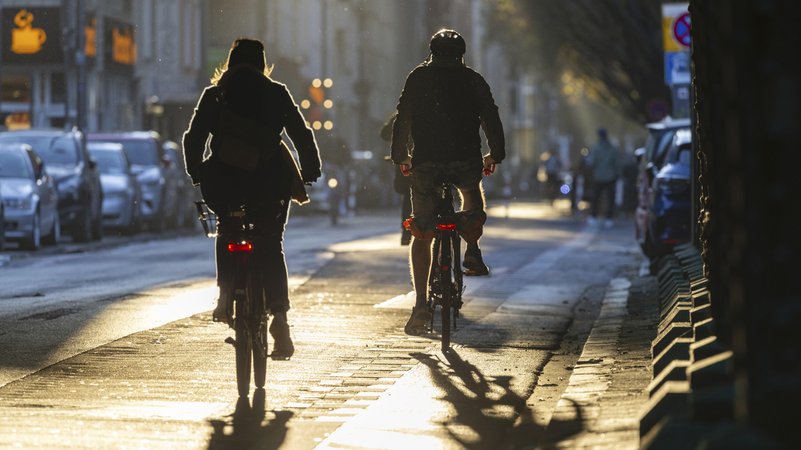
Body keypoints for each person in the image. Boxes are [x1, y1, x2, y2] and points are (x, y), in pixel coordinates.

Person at [182, 38, 322, 359]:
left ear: (230, 63)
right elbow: (301, 134)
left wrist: (198, 173)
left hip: (224, 182)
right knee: (271, 243)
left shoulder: (215, 94)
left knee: (227, 230)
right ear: (262, 64)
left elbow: (194, 138)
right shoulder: (276, 92)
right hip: (268, 183)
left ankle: (224, 297)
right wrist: (310, 170)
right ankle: (280, 320)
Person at [390, 29, 505, 335]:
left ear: (432, 51)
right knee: (470, 192)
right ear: (461, 54)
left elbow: (404, 117)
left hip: (425, 161)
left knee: (422, 230)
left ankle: (420, 306)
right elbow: (490, 117)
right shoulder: (473, 79)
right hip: (465, 158)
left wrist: (400, 155)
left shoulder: (418, 77)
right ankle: (472, 249)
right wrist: (496, 153)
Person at [381, 112, 413, 245]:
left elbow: (384, 134)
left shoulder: (402, 115)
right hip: (425, 161)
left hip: (407, 162)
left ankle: (406, 232)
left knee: (407, 197)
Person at [585, 128, 621, 227]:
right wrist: (618, 174)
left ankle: (593, 217)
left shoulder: (596, 148)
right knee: (610, 199)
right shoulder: (613, 148)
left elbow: (591, 162)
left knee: (596, 198)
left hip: (598, 176)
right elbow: (617, 164)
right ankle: (609, 218)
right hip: (611, 177)